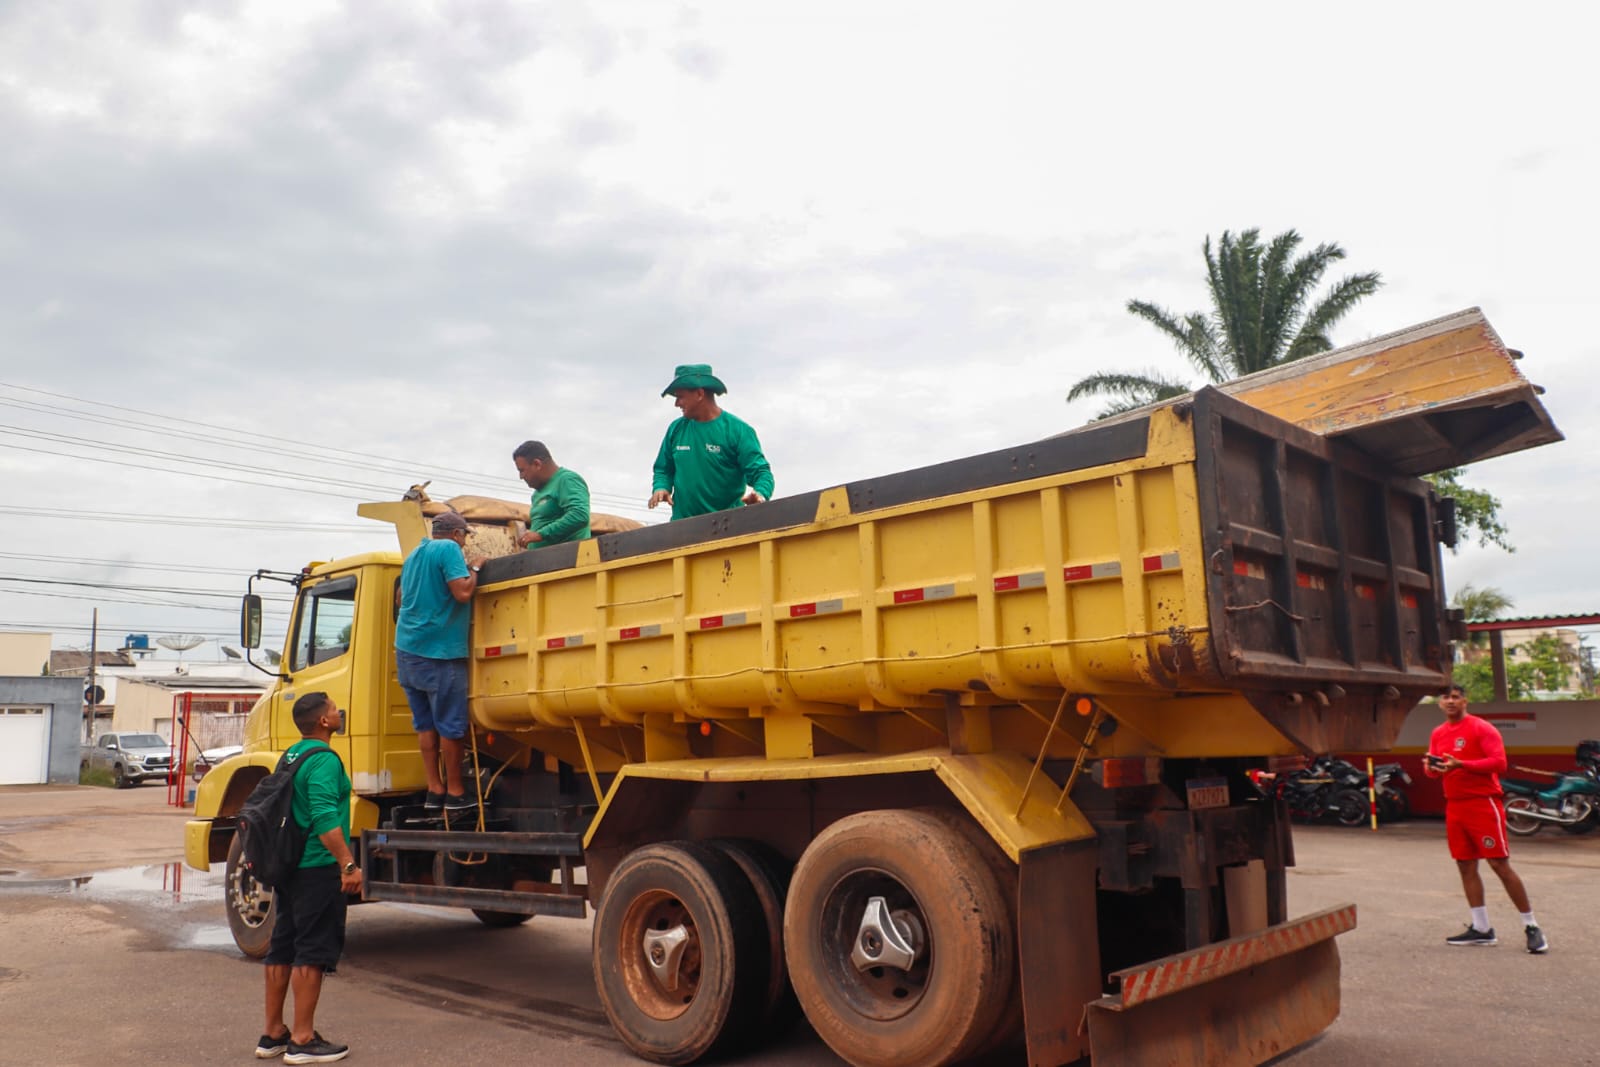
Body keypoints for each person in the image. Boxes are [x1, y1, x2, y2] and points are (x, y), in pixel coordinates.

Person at [257, 691, 362, 1064]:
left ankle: (272, 1034)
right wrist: (348, 864)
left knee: (282, 945)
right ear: (323, 721)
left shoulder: (292, 755)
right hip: (317, 866)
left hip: (289, 865)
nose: (339, 714)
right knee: (312, 949)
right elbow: (323, 818)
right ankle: (302, 1038)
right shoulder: (325, 761)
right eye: (334, 710)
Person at [1424, 683, 1548, 953]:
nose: (1450, 702)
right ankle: (1481, 928)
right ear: (1439, 703)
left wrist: (1462, 764)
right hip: (1455, 806)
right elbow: (1435, 772)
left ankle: (1532, 926)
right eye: (1445, 698)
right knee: (1465, 865)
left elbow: (1499, 762)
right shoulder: (1438, 733)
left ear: (1465, 701)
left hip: (1483, 804)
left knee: (1499, 864)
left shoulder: (1481, 728)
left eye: (1456, 697)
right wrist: (1431, 768)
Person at [395, 511, 486, 813]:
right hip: (439, 652)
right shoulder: (448, 550)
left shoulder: (413, 556)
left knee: (425, 724)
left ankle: (435, 790)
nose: (463, 544)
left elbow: (399, 599)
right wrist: (474, 568)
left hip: (407, 650)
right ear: (457, 534)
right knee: (450, 726)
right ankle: (457, 792)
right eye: (464, 537)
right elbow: (462, 592)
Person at [648, 363, 774, 520]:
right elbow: (663, 469)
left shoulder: (738, 431)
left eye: (680, 397)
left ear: (700, 394)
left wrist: (760, 494)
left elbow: (762, 473)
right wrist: (661, 487)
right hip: (682, 529)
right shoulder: (676, 429)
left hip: (728, 527)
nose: (676, 403)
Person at [512, 440, 591, 547]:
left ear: (537, 464)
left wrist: (540, 534)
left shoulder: (567, 479)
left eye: (522, 470)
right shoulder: (537, 494)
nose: (521, 477)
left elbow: (580, 515)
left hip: (568, 559)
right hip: (543, 560)